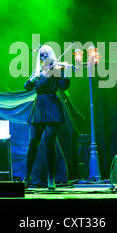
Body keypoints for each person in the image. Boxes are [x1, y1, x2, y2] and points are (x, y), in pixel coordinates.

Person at [23, 45, 70, 190]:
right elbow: (26, 87)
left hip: (52, 107)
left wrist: (66, 72)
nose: (43, 57)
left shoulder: (56, 69)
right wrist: (32, 79)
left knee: (50, 143)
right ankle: (27, 177)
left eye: (46, 54)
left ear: (51, 54)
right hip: (39, 107)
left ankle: (51, 178)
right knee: (32, 143)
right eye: (41, 55)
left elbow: (63, 86)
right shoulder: (37, 71)